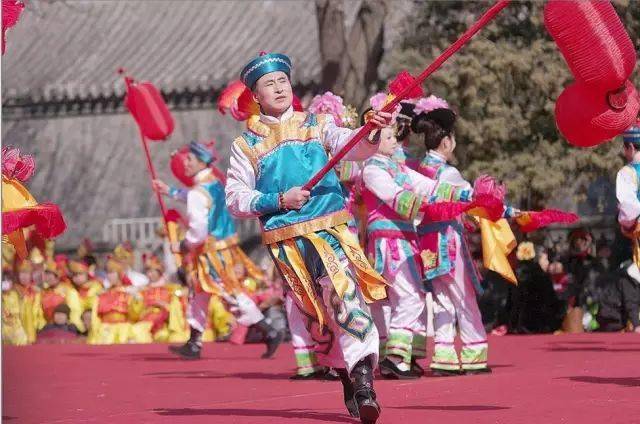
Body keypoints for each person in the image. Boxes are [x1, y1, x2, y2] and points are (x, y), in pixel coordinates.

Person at [225, 52, 394, 423]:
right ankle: (345, 373)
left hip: (329, 233)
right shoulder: (246, 145)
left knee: (346, 298)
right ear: (256, 95)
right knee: (317, 320)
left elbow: (355, 146)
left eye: (282, 80)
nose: (279, 87)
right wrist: (276, 199)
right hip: (287, 246)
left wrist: (372, 129)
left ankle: (365, 381)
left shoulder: (317, 125)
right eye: (269, 84)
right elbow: (235, 198)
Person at [160, 141, 281, 360]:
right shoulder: (213, 183)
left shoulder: (199, 191)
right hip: (219, 250)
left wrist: (181, 245)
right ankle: (194, 342)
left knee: (230, 295)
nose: (184, 163)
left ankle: (268, 330)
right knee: (199, 294)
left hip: (210, 255)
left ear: (200, 161)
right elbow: (192, 198)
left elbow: (197, 232)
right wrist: (169, 191)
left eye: (189, 159)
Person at [413, 97, 498, 375]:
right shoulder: (449, 174)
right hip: (447, 240)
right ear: (447, 142)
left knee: (441, 298)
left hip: (426, 242)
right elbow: (472, 200)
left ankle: (444, 355)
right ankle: (474, 352)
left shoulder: (418, 170)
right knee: (464, 296)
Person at [135, 254, 189, 343]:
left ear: (159, 272)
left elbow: (179, 309)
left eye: (152, 271)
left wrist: (165, 306)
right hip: (146, 323)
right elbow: (136, 313)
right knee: (139, 334)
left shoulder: (171, 289)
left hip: (165, 323)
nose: (150, 274)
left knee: (166, 337)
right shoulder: (143, 290)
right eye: (148, 271)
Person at [2, 259, 45, 345]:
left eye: (27, 274)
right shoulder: (11, 292)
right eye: (22, 273)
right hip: (15, 332)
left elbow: (39, 312)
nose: (24, 276)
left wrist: (40, 326)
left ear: (31, 275)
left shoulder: (36, 292)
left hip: (33, 331)